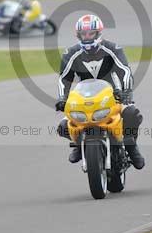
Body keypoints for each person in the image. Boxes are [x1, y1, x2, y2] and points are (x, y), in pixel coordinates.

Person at [54, 14, 145, 170]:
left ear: (98, 33)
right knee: (63, 126)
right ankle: (78, 144)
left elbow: (125, 71)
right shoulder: (70, 53)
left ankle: (131, 145)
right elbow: (64, 79)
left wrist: (126, 93)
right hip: (84, 98)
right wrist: (63, 98)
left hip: (114, 96)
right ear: (78, 35)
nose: (87, 37)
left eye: (91, 33)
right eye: (83, 34)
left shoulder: (113, 48)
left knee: (131, 113)